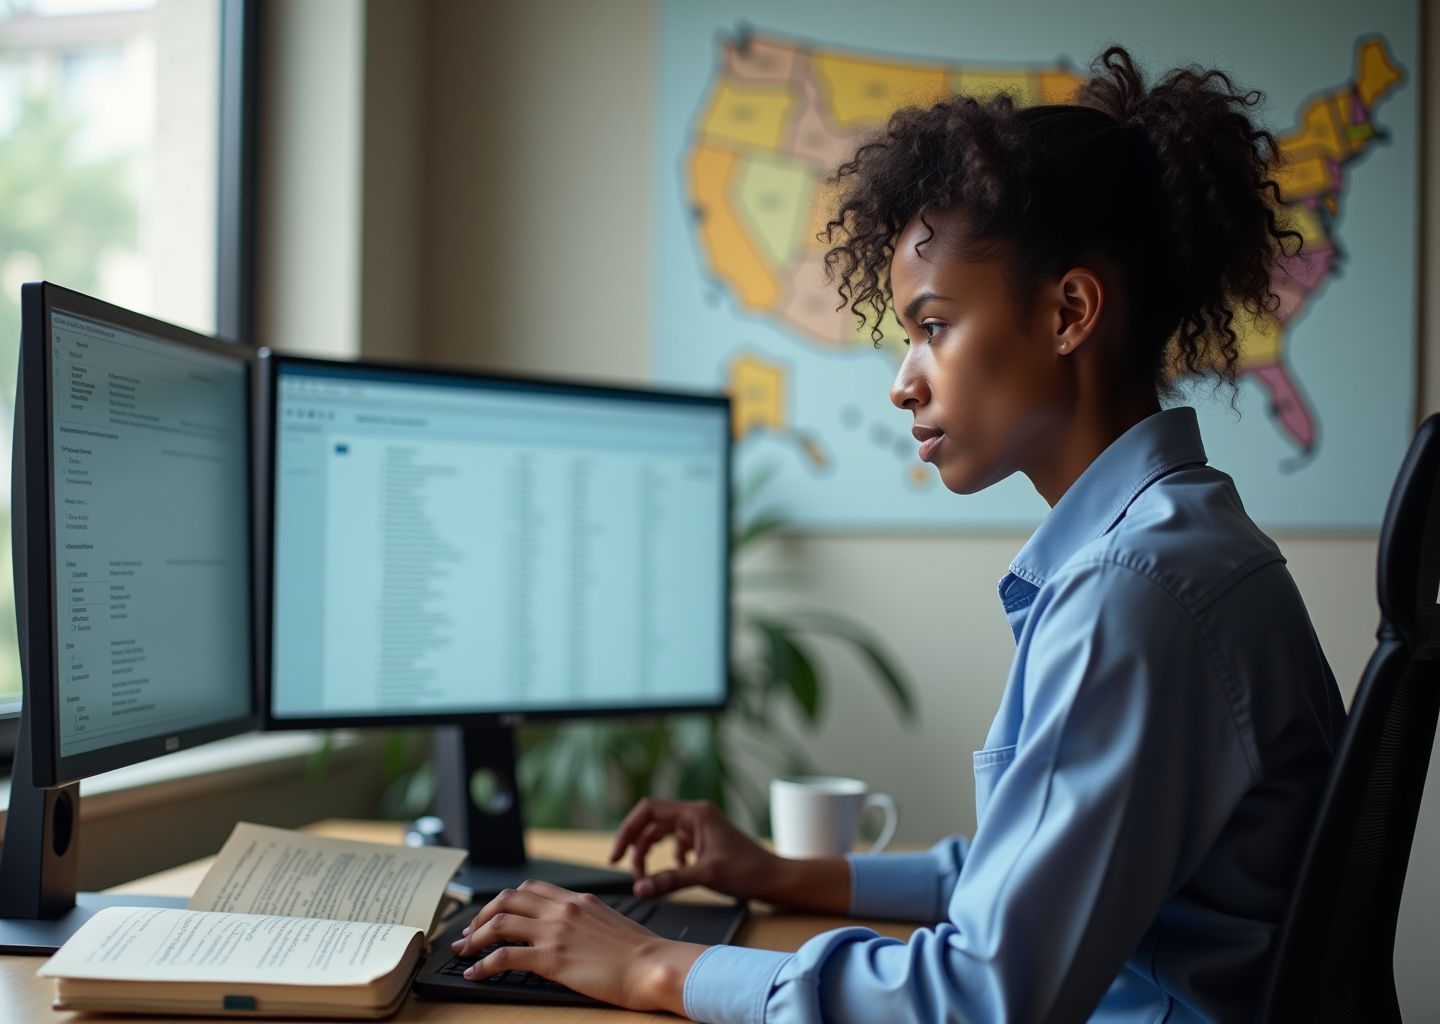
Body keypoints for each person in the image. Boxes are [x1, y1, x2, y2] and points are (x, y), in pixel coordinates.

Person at [451, 45, 1346, 1022]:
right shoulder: (1178, 548)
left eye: (934, 326)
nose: (902, 379)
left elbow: (982, 996)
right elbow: (1026, 870)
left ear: (1070, 312)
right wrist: (784, 871)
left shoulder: (1136, 593)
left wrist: (653, 966)